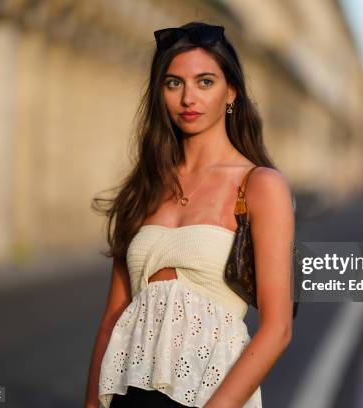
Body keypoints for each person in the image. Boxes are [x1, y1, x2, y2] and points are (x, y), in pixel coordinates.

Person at [84, 21, 295, 408]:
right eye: (173, 83)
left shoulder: (261, 185)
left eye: (205, 82)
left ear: (231, 92)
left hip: (209, 397)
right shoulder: (145, 185)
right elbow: (113, 317)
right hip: (128, 392)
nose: (188, 98)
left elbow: (278, 329)